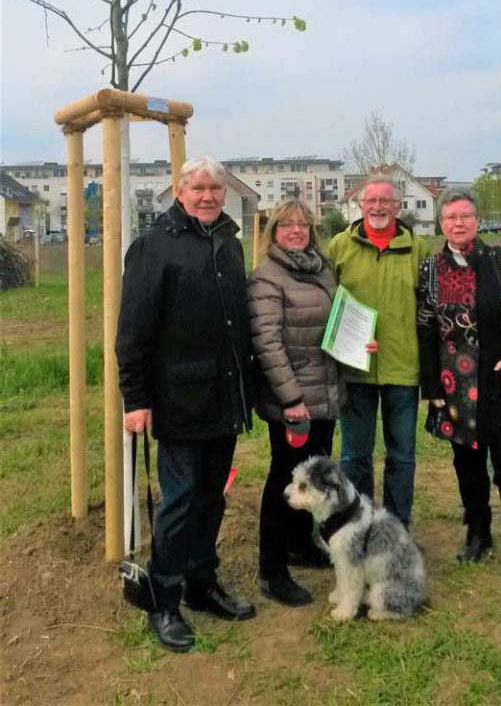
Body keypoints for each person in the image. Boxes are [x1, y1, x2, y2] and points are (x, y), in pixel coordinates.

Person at [116, 156, 255, 653]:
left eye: (215, 188)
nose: (208, 196)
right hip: (178, 401)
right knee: (177, 503)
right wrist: (135, 398)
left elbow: (236, 321)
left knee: (212, 497)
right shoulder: (154, 247)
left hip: (224, 399)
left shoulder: (230, 244)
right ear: (179, 191)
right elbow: (132, 332)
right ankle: (165, 599)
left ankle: (202, 582)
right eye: (198, 187)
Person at [417, 189, 501, 584]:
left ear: (477, 219)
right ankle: (478, 534)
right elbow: (425, 328)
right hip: (456, 388)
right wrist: (432, 384)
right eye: (451, 217)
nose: (459, 223)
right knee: (467, 466)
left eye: (466, 216)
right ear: (442, 224)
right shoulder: (430, 269)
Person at [247, 200, 341, 606]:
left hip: (325, 391)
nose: (297, 230)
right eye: (287, 225)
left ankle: (301, 545)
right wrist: (291, 398)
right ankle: (272, 567)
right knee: (285, 480)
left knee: (314, 474)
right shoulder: (267, 277)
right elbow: (267, 342)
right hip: (294, 401)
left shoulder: (321, 268)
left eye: (303, 224)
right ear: (274, 231)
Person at [328, 176, 427, 527]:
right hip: (356, 369)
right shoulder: (340, 246)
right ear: (360, 205)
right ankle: (359, 524)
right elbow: (328, 303)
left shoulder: (418, 249)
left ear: (398, 207)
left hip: (403, 367)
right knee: (355, 455)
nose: (378, 207)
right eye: (371, 201)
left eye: (386, 201)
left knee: (402, 455)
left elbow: (429, 308)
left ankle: (397, 526)